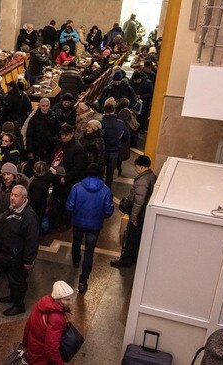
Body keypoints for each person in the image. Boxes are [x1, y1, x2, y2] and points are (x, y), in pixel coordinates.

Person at [66, 163, 114, 293]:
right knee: (89, 252)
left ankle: (76, 260)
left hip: (77, 223)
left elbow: (69, 206)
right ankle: (83, 281)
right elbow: (108, 211)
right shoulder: (105, 190)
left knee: (76, 242)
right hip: (95, 226)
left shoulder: (77, 187)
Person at [0, 185, 39, 316]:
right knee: (11, 278)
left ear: (24, 198)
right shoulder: (13, 209)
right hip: (9, 255)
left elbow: (32, 241)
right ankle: (13, 297)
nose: (12, 197)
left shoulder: (29, 217)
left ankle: (19, 305)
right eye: (11, 194)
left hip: (18, 257)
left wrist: (28, 260)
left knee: (18, 281)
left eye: (16, 195)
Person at [111, 155, 157, 268]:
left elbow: (138, 202)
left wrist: (134, 218)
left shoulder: (142, 181)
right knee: (136, 238)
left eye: (136, 166)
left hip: (139, 215)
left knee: (131, 237)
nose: (135, 168)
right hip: (144, 214)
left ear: (141, 167)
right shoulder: (151, 176)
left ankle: (125, 260)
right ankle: (134, 257)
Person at [23, 281, 75, 364]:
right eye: (67, 300)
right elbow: (51, 347)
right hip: (42, 354)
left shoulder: (41, 304)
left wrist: (25, 344)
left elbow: (28, 325)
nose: (71, 302)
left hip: (33, 345)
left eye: (72, 298)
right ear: (57, 299)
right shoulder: (57, 318)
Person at [100, 100, 130, 190]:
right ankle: (107, 190)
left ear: (104, 111)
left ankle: (98, 189)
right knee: (110, 174)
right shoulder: (120, 123)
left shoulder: (100, 123)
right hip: (114, 151)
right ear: (114, 111)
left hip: (102, 151)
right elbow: (127, 137)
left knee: (100, 172)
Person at [0, 163, 30, 228]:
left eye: (8, 174)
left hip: (9, 220)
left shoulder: (17, 190)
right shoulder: (0, 186)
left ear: (13, 175)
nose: (6, 177)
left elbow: (12, 208)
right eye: (4, 174)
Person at [25, 97, 60, 164]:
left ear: (49, 105)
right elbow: (29, 135)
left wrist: (55, 142)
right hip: (37, 148)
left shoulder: (54, 117)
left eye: (47, 106)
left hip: (50, 147)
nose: (45, 108)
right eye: (43, 106)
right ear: (40, 106)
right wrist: (30, 151)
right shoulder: (34, 119)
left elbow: (58, 131)